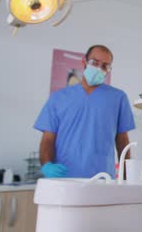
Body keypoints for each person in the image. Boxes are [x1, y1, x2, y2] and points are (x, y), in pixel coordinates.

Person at [34, 45, 136, 178]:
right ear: (84, 62)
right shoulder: (58, 98)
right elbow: (47, 139)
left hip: (102, 178)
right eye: (94, 62)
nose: (99, 68)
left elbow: (122, 141)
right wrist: (46, 165)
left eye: (105, 66)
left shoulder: (118, 98)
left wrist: (126, 177)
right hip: (64, 179)